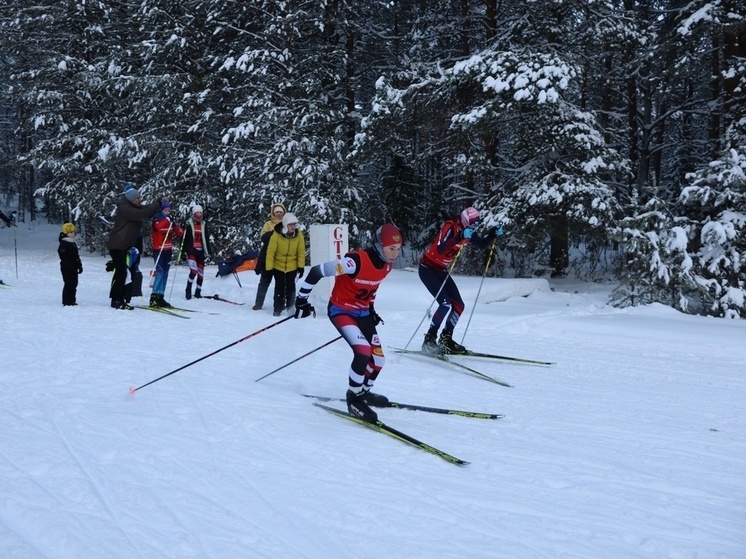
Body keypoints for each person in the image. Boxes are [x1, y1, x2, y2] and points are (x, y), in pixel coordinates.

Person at [294, 223, 403, 423]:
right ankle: (353, 397)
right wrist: (302, 299)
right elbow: (317, 271)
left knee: (378, 360)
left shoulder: (386, 265)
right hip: (341, 310)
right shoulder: (354, 262)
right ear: (379, 245)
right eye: (391, 248)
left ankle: (363, 392)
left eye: (397, 249)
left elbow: (372, 288)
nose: (395, 253)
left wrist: (371, 309)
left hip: (362, 313)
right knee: (363, 351)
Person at [419, 207, 501, 355]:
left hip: (440, 271)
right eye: (472, 224)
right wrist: (460, 237)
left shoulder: (467, 232)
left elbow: (482, 244)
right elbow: (440, 249)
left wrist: (492, 235)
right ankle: (429, 339)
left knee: (459, 306)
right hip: (428, 268)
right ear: (464, 221)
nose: (474, 227)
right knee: (445, 304)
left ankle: (446, 339)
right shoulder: (450, 227)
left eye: (477, 224)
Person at [107, 186, 164, 310]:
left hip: (124, 246)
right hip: (117, 245)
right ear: (131, 199)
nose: (140, 200)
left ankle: (121, 298)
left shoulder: (132, 207)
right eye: (138, 198)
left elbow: (146, 210)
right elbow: (141, 213)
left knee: (125, 273)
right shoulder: (124, 209)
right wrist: (157, 204)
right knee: (121, 273)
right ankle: (117, 300)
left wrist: (159, 204)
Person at [265, 212, 305, 316]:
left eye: (294, 224)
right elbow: (270, 252)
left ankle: (291, 308)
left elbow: (301, 251)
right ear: (285, 224)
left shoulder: (299, 235)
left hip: (292, 266)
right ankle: (277, 308)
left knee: (291, 287)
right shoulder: (276, 235)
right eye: (290, 224)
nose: (293, 227)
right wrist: (269, 268)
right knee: (280, 287)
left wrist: (301, 267)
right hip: (278, 266)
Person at [149, 201, 184, 308]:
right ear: (161, 210)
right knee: (160, 272)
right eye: (165, 210)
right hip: (159, 249)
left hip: (167, 250)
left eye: (169, 210)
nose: (168, 212)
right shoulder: (157, 219)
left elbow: (179, 233)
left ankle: (160, 296)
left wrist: (182, 229)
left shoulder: (170, 221)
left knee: (166, 273)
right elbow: (158, 227)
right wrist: (167, 220)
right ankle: (154, 297)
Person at [253, 202, 287, 310]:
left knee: (281, 283)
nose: (279, 214)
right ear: (273, 213)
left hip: (282, 258)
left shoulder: (288, 224)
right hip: (268, 257)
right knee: (264, 281)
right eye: (277, 212)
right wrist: (276, 234)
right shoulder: (268, 224)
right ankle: (259, 303)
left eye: (280, 212)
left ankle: (281, 304)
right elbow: (264, 237)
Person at [184, 204, 211, 300]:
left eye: (201, 212)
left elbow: (206, 239)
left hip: (200, 251)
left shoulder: (203, 224)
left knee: (201, 272)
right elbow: (184, 239)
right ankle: (188, 289)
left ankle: (198, 291)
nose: (199, 214)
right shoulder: (189, 223)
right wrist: (183, 251)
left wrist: (209, 252)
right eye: (197, 212)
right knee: (194, 271)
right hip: (191, 250)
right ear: (193, 213)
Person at [57, 222, 83, 306]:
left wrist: (79, 265)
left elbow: (76, 255)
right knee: (68, 283)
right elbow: (63, 255)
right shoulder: (64, 243)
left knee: (74, 283)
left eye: (73, 232)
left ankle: (72, 299)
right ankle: (67, 300)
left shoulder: (72, 242)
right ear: (66, 233)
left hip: (73, 266)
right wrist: (68, 262)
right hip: (67, 266)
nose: (73, 234)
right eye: (70, 232)